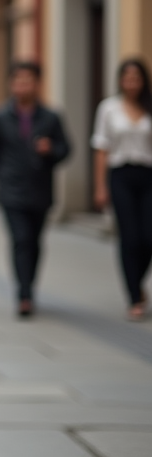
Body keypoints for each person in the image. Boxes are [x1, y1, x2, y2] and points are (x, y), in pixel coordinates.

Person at [0, 61, 70, 318]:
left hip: (40, 188)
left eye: (28, 80)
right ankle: (24, 293)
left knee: (34, 241)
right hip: (11, 189)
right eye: (18, 80)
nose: (22, 86)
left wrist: (51, 150)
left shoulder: (51, 117)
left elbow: (66, 149)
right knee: (20, 239)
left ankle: (29, 284)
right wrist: (4, 173)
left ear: (37, 84)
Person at [92, 57, 152, 321]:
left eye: (136, 77)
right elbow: (101, 149)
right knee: (129, 236)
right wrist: (100, 186)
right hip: (121, 175)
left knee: (148, 237)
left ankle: (136, 281)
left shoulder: (149, 107)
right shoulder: (109, 108)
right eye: (127, 78)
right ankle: (133, 295)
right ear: (119, 80)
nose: (131, 83)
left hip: (148, 175)